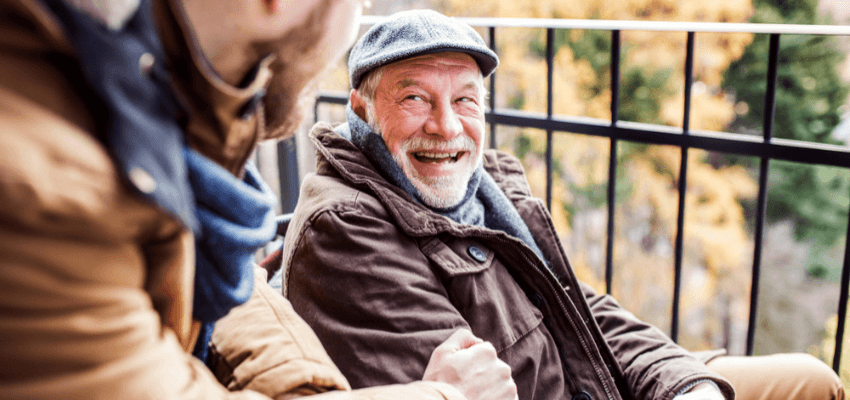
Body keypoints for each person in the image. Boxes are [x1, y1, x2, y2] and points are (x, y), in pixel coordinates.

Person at [280, 9, 846, 400]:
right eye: (414, 98)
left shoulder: (483, 191)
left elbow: (578, 306)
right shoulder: (347, 228)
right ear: (361, 106)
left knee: (809, 378)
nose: (446, 126)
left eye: (465, 100)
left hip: (595, 375)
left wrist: (679, 381)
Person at [0, 0, 517, 399]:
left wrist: (302, 385)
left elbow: (224, 287)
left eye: (467, 99)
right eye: (357, 5)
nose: (446, 125)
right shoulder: (42, 180)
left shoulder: (143, 94)